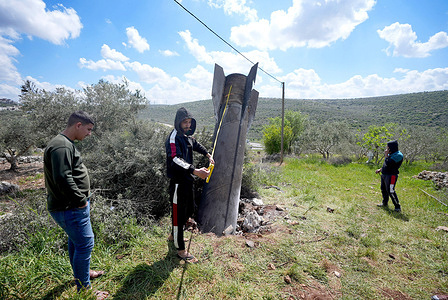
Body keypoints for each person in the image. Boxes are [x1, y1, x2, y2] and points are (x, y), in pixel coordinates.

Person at [44, 111, 108, 298]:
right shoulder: (61, 146)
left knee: (76, 241)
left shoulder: (63, 143)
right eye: (88, 129)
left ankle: (82, 274)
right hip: (70, 207)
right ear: (78, 125)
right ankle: (85, 291)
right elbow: (63, 178)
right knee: (85, 244)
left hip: (69, 206)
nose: (89, 134)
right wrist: (80, 201)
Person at [165, 107, 214, 263]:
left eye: (189, 122)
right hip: (178, 182)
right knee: (179, 216)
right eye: (184, 122)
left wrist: (208, 154)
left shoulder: (187, 137)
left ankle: (173, 235)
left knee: (188, 210)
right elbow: (175, 159)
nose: (187, 125)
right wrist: (195, 170)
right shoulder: (173, 137)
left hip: (187, 181)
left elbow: (196, 144)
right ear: (178, 123)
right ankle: (180, 250)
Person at [376, 140, 404, 212]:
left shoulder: (398, 155)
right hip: (385, 174)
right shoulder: (391, 154)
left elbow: (389, 163)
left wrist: (386, 156)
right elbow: (386, 165)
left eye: (388, 148)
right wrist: (380, 169)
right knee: (383, 189)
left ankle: (397, 206)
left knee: (390, 191)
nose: (387, 149)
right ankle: (384, 203)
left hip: (391, 176)